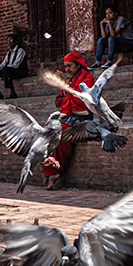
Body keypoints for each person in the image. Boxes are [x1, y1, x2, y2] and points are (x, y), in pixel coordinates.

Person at [41, 52, 95, 190]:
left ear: (78, 64)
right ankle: (50, 170)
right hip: (66, 116)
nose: (67, 69)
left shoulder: (88, 78)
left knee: (62, 134)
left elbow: (84, 101)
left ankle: (56, 171)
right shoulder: (69, 80)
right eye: (65, 67)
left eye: (69, 66)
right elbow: (58, 101)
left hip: (82, 118)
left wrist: (66, 86)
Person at [0, 32, 28, 99]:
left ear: (16, 41)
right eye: (8, 41)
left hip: (20, 71)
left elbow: (16, 65)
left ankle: (12, 92)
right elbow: (4, 63)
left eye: (11, 40)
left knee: (6, 69)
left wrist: (3, 68)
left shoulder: (20, 51)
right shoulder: (9, 53)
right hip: (9, 71)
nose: (9, 42)